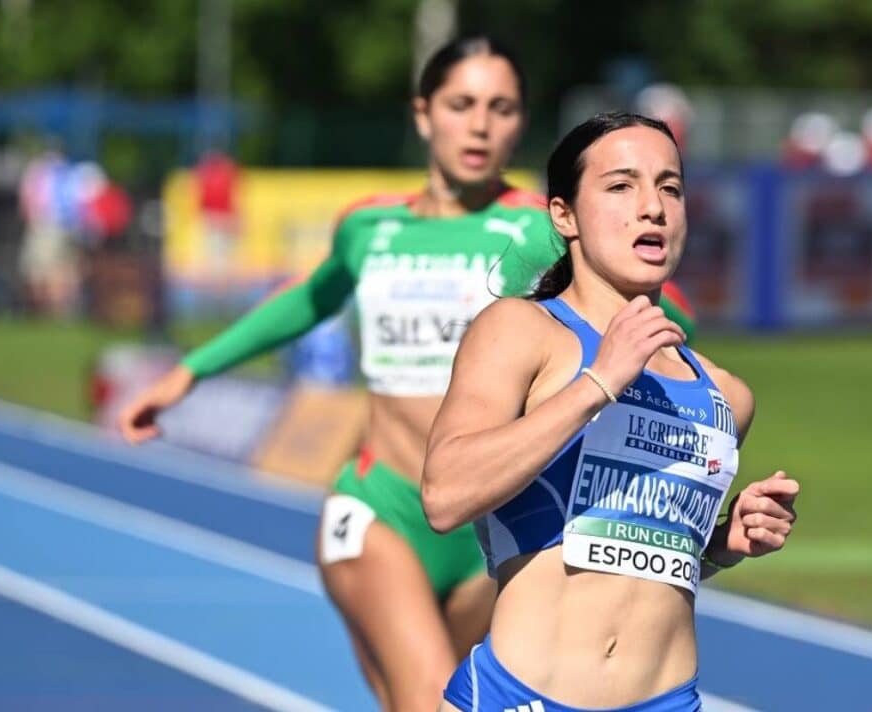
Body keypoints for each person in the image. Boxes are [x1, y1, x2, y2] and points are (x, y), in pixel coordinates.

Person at [118, 39, 694, 710]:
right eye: (462, 105)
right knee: (426, 698)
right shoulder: (370, 227)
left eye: (502, 108)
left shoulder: (541, 229)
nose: (480, 126)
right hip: (384, 505)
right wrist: (191, 371)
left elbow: (659, 306)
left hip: (495, 521)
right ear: (423, 114)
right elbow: (309, 299)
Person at [423, 112, 799, 712]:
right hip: (520, 697)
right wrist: (599, 381)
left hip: (664, 700)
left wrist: (722, 543)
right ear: (564, 214)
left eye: (670, 188)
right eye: (621, 186)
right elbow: (445, 496)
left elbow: (641, 559)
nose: (652, 208)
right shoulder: (522, 330)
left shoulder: (727, 394)